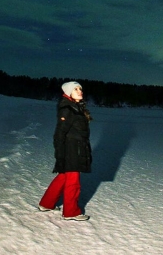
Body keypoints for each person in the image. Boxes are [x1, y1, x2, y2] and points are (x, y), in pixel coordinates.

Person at [38, 81, 93, 221]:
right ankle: (71, 212)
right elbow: (59, 133)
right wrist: (60, 154)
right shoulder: (68, 109)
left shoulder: (75, 107)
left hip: (75, 148)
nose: (80, 91)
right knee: (73, 182)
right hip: (72, 149)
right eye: (75, 89)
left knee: (63, 177)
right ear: (69, 93)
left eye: (80, 88)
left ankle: (47, 204)